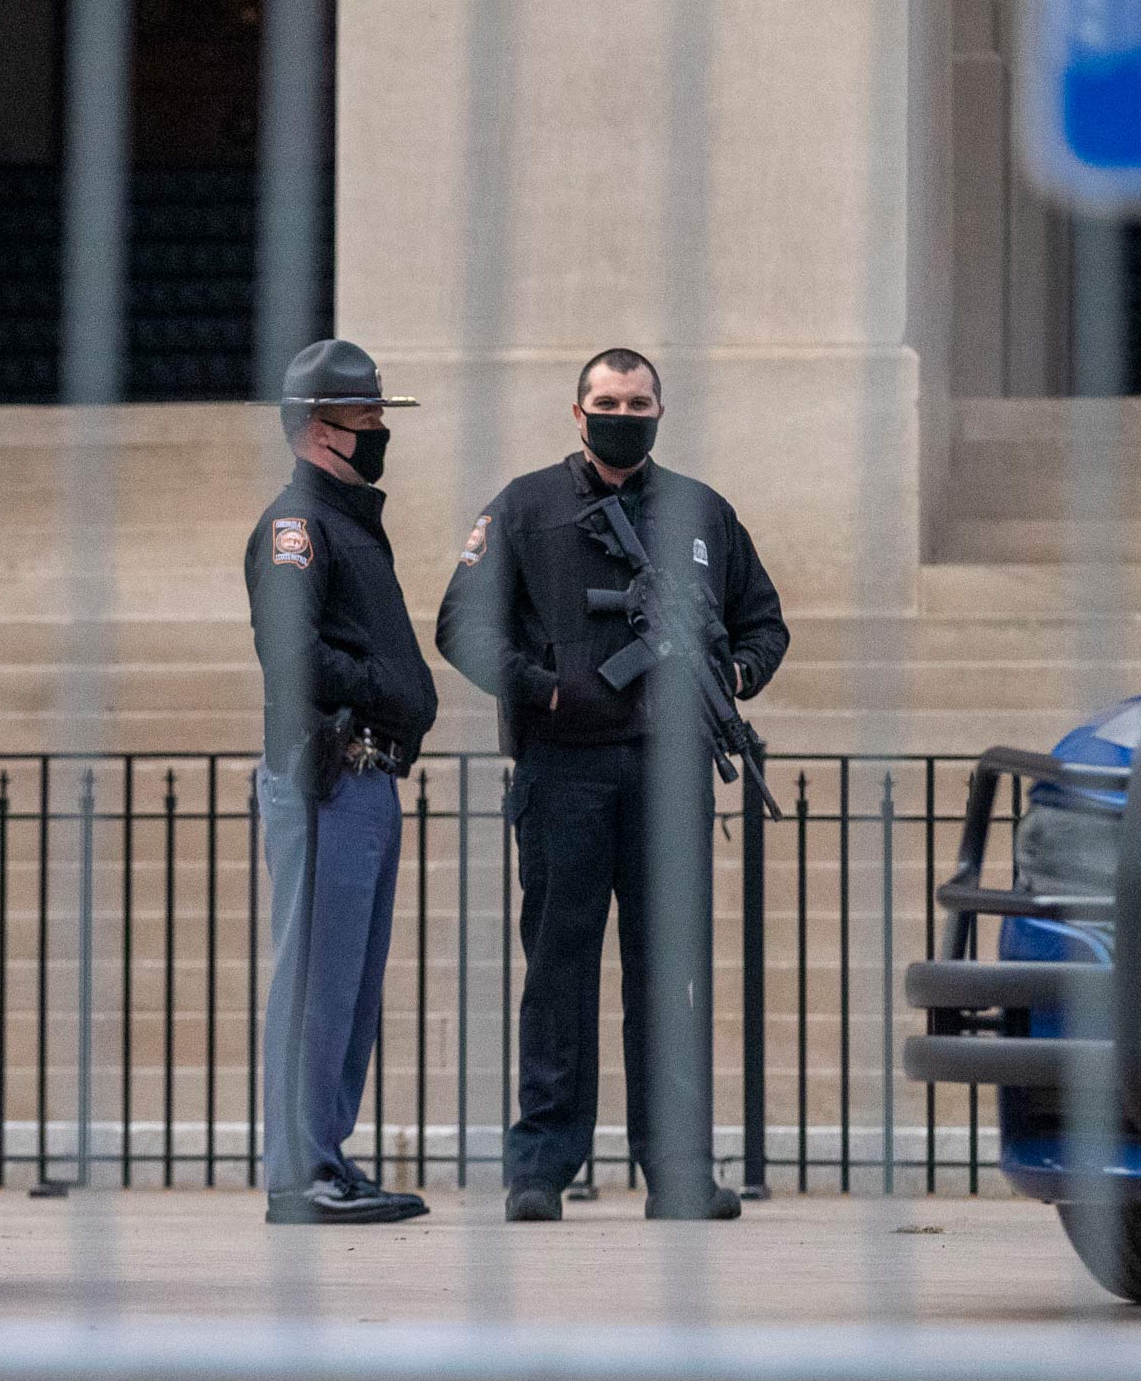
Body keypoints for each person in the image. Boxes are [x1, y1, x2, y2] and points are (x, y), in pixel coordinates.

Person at [436, 347, 788, 1222]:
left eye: (637, 402)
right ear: (577, 409)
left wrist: (730, 679)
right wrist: (547, 688)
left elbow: (764, 623)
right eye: (606, 400)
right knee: (559, 969)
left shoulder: (702, 512)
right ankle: (540, 1169)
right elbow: (460, 624)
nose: (621, 414)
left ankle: (675, 1170)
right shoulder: (527, 506)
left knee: (668, 974)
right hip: (565, 770)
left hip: (670, 773)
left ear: (659, 411)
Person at [247, 337, 440, 1225]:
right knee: (316, 984)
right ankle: (298, 1171)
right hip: (330, 773)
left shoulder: (350, 524)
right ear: (317, 430)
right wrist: (388, 687)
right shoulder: (298, 528)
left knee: (351, 987)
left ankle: (325, 1154)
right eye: (364, 419)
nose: (376, 433)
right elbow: (293, 656)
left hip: (368, 779)